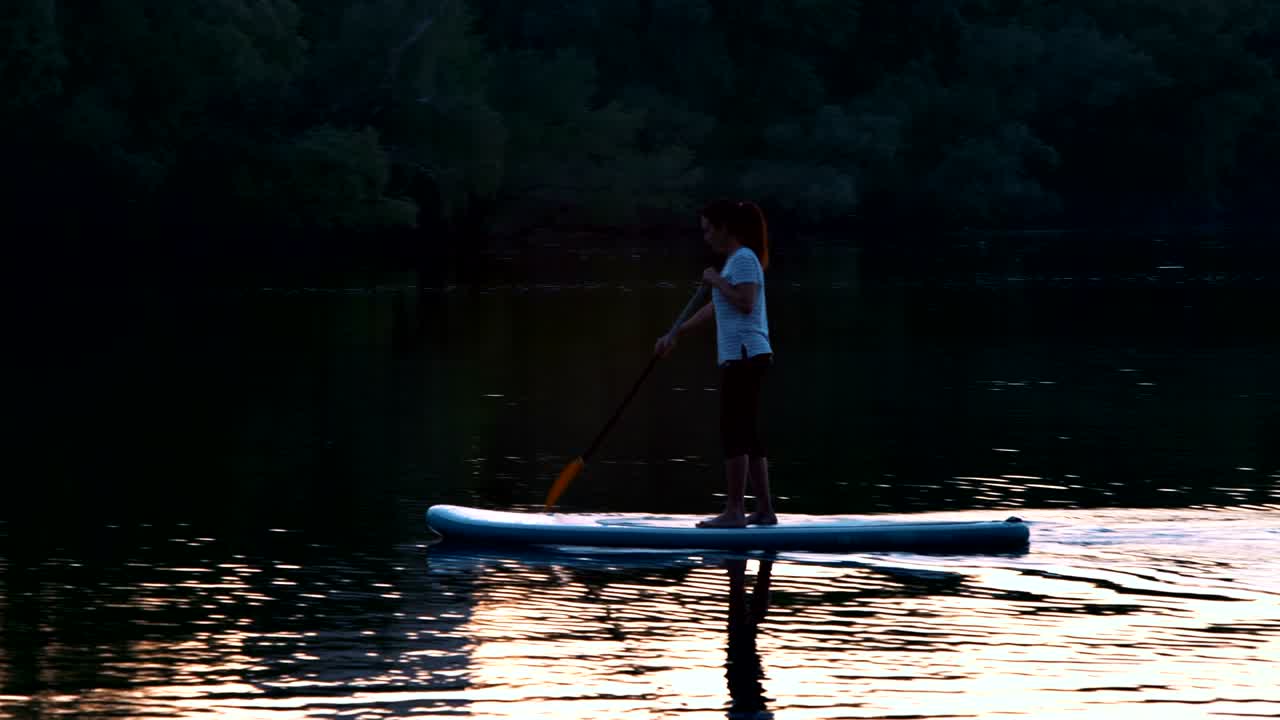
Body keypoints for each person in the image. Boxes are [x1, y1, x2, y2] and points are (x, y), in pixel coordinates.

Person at [655, 200, 775, 528]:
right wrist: (675, 332)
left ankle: (736, 511)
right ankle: (764, 511)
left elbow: (746, 303)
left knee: (734, 431)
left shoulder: (744, 259)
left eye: (709, 229)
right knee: (746, 433)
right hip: (742, 355)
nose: (706, 236)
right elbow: (716, 308)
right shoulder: (734, 263)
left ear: (726, 229)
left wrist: (716, 281)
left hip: (746, 354)